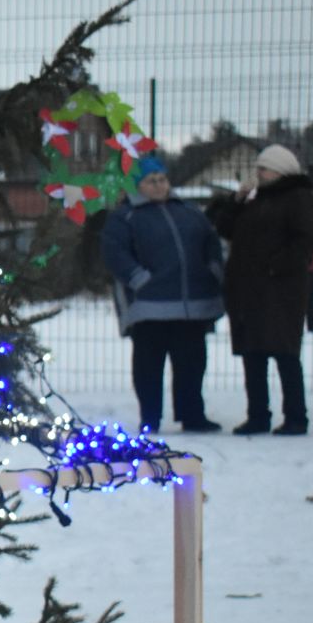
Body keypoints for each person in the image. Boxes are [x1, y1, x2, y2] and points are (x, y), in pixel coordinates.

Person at [100, 154, 225, 434]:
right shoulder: (125, 216)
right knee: (148, 366)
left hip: (193, 304)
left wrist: (213, 271)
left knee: (192, 364)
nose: (158, 186)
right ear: (136, 185)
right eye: (150, 181)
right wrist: (139, 278)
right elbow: (114, 252)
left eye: (162, 179)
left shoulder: (190, 212)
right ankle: (151, 418)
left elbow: (211, 243)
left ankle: (193, 415)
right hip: (149, 305)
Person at [207, 143, 313, 435]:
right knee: (252, 354)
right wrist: (237, 200)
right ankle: (258, 415)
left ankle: (296, 417)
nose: (258, 172)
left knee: (285, 354)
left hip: (281, 291)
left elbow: (306, 239)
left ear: (281, 169)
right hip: (248, 290)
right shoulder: (255, 199)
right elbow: (225, 228)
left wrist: (276, 267)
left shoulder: (298, 197)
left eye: (264, 167)